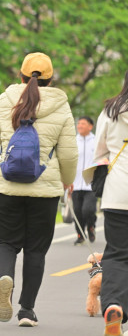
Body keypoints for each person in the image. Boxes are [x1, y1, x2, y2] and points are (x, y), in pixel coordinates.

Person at [0, 52, 77, 327]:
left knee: (5, 242)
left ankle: (4, 277)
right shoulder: (61, 105)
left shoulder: (5, 99)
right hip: (44, 190)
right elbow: (68, 153)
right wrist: (67, 180)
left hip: (6, 186)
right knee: (35, 251)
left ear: (20, 76)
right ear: (51, 79)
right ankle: (27, 311)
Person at [90, 70, 128, 336]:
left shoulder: (111, 110)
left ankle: (113, 304)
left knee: (116, 254)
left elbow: (99, 153)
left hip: (117, 193)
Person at [71, 116, 97, 245]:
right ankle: (80, 234)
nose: (80, 126)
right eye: (79, 123)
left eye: (83, 123)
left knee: (88, 210)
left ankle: (91, 226)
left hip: (91, 184)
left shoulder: (96, 141)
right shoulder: (73, 141)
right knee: (77, 211)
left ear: (90, 126)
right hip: (75, 184)